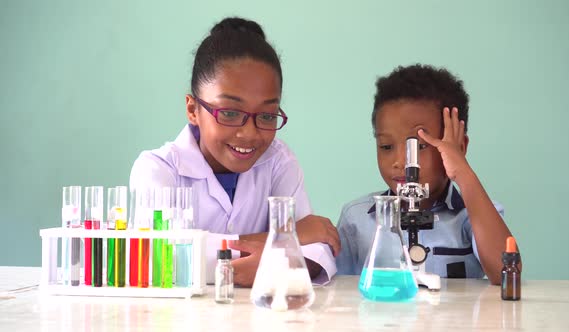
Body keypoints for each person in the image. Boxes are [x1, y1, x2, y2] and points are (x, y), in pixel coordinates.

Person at [130, 17, 339, 286]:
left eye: (267, 115)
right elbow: (155, 257)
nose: (250, 133)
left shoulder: (277, 160)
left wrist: (277, 253)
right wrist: (288, 239)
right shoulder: (158, 169)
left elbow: (320, 249)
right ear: (193, 109)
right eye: (229, 112)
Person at [335, 64, 518, 285]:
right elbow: (335, 292)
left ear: (458, 147)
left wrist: (463, 172)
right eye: (386, 146)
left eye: (420, 146)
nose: (400, 162)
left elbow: (506, 273)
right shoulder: (357, 218)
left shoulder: (473, 214)